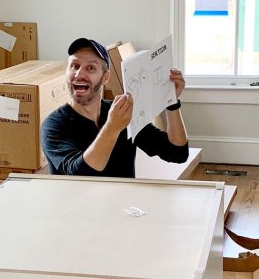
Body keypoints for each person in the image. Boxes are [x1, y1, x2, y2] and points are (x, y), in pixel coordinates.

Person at [41, 38, 189, 178]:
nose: (79, 74)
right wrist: (112, 127)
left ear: (105, 77)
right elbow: (80, 175)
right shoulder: (54, 125)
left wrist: (171, 102)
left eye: (90, 68)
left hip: (122, 203)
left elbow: (177, 153)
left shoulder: (122, 113)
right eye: (74, 66)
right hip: (79, 205)